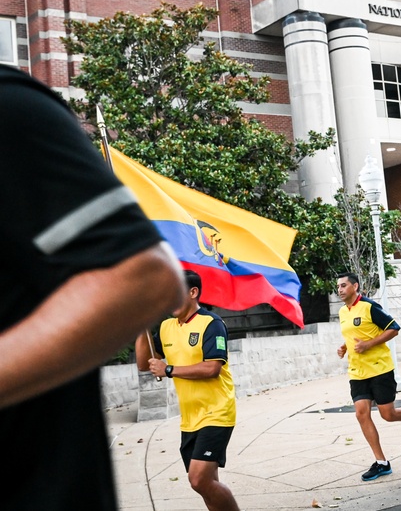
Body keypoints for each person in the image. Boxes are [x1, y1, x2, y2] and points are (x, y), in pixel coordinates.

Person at [0, 64, 186, 509]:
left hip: (36, 491)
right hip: (187, 416)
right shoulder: (169, 332)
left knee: (203, 479)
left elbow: (144, 276)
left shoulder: (10, 107)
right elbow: (144, 363)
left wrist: (174, 371)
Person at [136, 270, 240, 510]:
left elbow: (212, 368)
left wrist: (169, 369)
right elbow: (144, 363)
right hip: (189, 417)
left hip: (217, 412)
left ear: (193, 292)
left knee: (198, 479)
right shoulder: (165, 327)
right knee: (207, 485)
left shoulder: (212, 324)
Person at [329, 273, 401, 482]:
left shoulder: (369, 307)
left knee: (388, 414)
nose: (340, 290)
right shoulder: (343, 311)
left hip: (380, 369)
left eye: (344, 286)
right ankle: (381, 462)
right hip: (357, 372)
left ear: (355, 286)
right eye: (338, 287)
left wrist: (368, 345)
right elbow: (353, 335)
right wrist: (345, 347)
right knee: (361, 413)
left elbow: (394, 328)